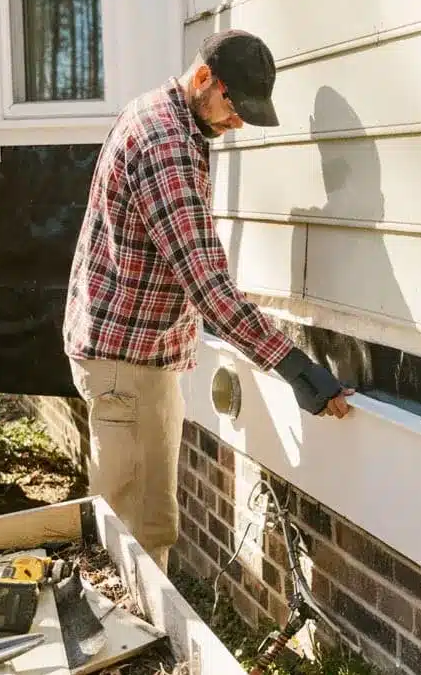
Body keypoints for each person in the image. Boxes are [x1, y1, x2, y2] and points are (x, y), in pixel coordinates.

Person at [63, 29, 353, 569]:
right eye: (232, 106)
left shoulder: (157, 114)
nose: (236, 121)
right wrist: (295, 368)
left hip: (126, 352)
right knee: (137, 540)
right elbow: (209, 285)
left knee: (141, 529)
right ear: (202, 79)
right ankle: (127, 646)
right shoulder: (166, 146)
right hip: (127, 365)